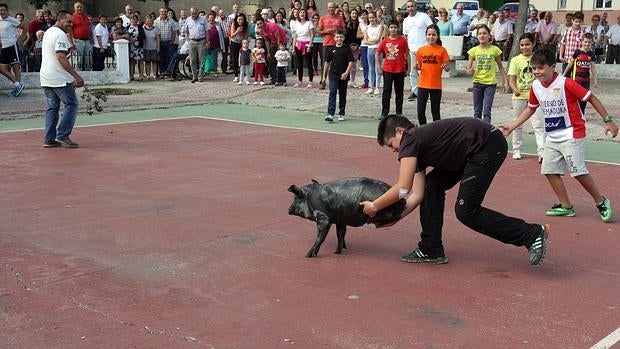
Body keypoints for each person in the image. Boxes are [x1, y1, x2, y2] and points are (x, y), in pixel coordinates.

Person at [360, 115, 550, 267]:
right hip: (475, 148)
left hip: (486, 145)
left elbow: (402, 188)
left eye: (392, 145)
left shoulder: (411, 138)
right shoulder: (416, 144)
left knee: (467, 211)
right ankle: (430, 248)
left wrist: (375, 206)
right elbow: (417, 194)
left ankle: (531, 234)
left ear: (400, 131)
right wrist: (394, 219)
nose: (394, 151)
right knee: (430, 186)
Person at [501, 48, 617, 222]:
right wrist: (512, 125)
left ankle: (600, 201)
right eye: (534, 68)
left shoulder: (566, 83)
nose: (536, 72)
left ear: (552, 67)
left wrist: (607, 120)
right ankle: (566, 206)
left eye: (540, 68)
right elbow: (530, 109)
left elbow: (591, 97)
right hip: (552, 136)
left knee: (577, 172)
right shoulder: (535, 87)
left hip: (573, 133)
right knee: (549, 170)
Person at [40, 10, 85, 148]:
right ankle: (63, 135)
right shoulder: (60, 35)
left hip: (46, 77)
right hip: (59, 78)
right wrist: (76, 76)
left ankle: (49, 138)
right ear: (60, 20)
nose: (71, 24)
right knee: (72, 104)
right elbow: (61, 57)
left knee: (53, 107)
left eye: (72, 22)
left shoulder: (49, 32)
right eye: (68, 21)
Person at [507, 33, 545, 161]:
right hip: (519, 97)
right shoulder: (515, 60)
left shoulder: (538, 58)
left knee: (538, 124)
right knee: (518, 124)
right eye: (522, 45)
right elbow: (511, 79)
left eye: (527, 44)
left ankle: (542, 152)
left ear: (533, 44)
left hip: (536, 98)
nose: (525, 47)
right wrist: (514, 88)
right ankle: (517, 149)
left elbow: (543, 76)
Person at [466, 24, 508, 123]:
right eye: (480, 34)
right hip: (477, 84)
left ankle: (486, 133)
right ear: (477, 36)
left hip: (490, 84)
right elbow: (468, 69)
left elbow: (501, 67)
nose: (482, 36)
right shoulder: (473, 51)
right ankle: (477, 134)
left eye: (485, 33)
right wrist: (469, 71)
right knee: (477, 112)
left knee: (487, 111)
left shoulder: (495, 50)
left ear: (489, 35)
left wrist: (505, 81)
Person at [415, 24, 450, 125]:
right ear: (426, 35)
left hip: (436, 85)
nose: (431, 37)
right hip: (422, 85)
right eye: (429, 34)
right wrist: (416, 67)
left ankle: (436, 133)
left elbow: (447, 67)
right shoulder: (421, 50)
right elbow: (419, 66)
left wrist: (446, 67)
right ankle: (424, 130)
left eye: (433, 35)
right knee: (420, 112)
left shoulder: (442, 50)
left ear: (437, 36)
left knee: (435, 113)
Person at [376, 21, 409, 120]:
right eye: (391, 27)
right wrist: (379, 67)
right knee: (386, 92)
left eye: (395, 27)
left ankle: (399, 112)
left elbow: (407, 55)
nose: (393, 29)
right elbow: (377, 54)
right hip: (388, 70)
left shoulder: (402, 41)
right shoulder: (385, 41)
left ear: (398, 28)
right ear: (389, 29)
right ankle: (384, 113)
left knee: (399, 92)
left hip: (400, 70)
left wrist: (409, 68)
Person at [402, 0, 433, 101]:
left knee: (424, 72)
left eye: (412, 6)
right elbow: (406, 35)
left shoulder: (423, 16)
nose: (410, 8)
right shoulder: (406, 20)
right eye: (409, 7)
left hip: (424, 49)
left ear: (416, 7)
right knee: (413, 72)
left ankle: (427, 93)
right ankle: (416, 92)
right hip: (412, 50)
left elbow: (432, 28)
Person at [321, 30, 354, 122]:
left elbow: (351, 62)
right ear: (334, 38)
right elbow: (327, 63)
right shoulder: (330, 49)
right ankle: (330, 114)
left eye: (341, 37)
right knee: (332, 92)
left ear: (344, 38)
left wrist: (346, 73)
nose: (339, 39)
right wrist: (324, 77)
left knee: (342, 94)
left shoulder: (347, 49)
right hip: (333, 74)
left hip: (343, 75)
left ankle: (341, 113)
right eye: (337, 37)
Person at [563, 33, 597, 114]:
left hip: (586, 80)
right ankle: (574, 112)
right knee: (575, 96)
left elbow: (593, 67)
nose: (587, 44)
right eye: (585, 42)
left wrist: (595, 79)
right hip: (577, 79)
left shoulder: (591, 54)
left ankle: (582, 113)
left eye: (589, 42)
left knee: (585, 97)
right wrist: (564, 74)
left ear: (591, 43)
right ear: (582, 41)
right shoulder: (577, 52)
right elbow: (570, 64)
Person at [0, 3, 26, 96]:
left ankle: (17, 90)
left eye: (4, 10)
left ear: (7, 11)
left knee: (16, 68)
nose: (2, 12)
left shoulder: (12, 20)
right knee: (2, 68)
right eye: (1, 10)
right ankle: (18, 85)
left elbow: (24, 28)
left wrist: (21, 39)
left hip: (12, 46)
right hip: (3, 47)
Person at [184, 7, 208, 83]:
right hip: (192, 42)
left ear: (198, 13)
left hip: (201, 41)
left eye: (195, 13)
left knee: (202, 61)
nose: (194, 15)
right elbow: (185, 31)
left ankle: (200, 77)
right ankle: (194, 77)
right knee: (192, 61)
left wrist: (207, 41)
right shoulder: (188, 20)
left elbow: (207, 31)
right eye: (192, 13)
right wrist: (188, 40)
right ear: (190, 13)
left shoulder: (203, 19)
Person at [291, 8, 314, 88]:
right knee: (299, 64)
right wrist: (293, 47)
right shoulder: (296, 23)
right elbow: (295, 37)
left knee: (309, 63)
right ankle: (299, 81)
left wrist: (310, 44)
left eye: (304, 12)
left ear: (306, 14)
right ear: (298, 14)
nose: (302, 14)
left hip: (307, 44)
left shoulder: (309, 23)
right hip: (298, 45)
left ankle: (310, 81)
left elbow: (312, 35)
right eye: (301, 12)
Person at [364, 10, 383, 96]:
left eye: (372, 17)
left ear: (375, 18)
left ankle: (377, 87)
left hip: (378, 49)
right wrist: (372, 41)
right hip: (370, 49)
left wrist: (370, 40)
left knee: (377, 68)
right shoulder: (367, 28)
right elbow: (365, 41)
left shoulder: (380, 27)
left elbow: (378, 39)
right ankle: (371, 87)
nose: (371, 19)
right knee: (371, 68)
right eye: (370, 18)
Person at [71, 2, 92, 71]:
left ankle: (88, 73)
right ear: (74, 8)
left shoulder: (85, 16)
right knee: (79, 59)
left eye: (81, 7)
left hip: (87, 41)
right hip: (78, 41)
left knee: (88, 58)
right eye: (78, 7)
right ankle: (79, 74)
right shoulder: (72, 17)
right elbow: (70, 30)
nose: (79, 8)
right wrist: (71, 42)